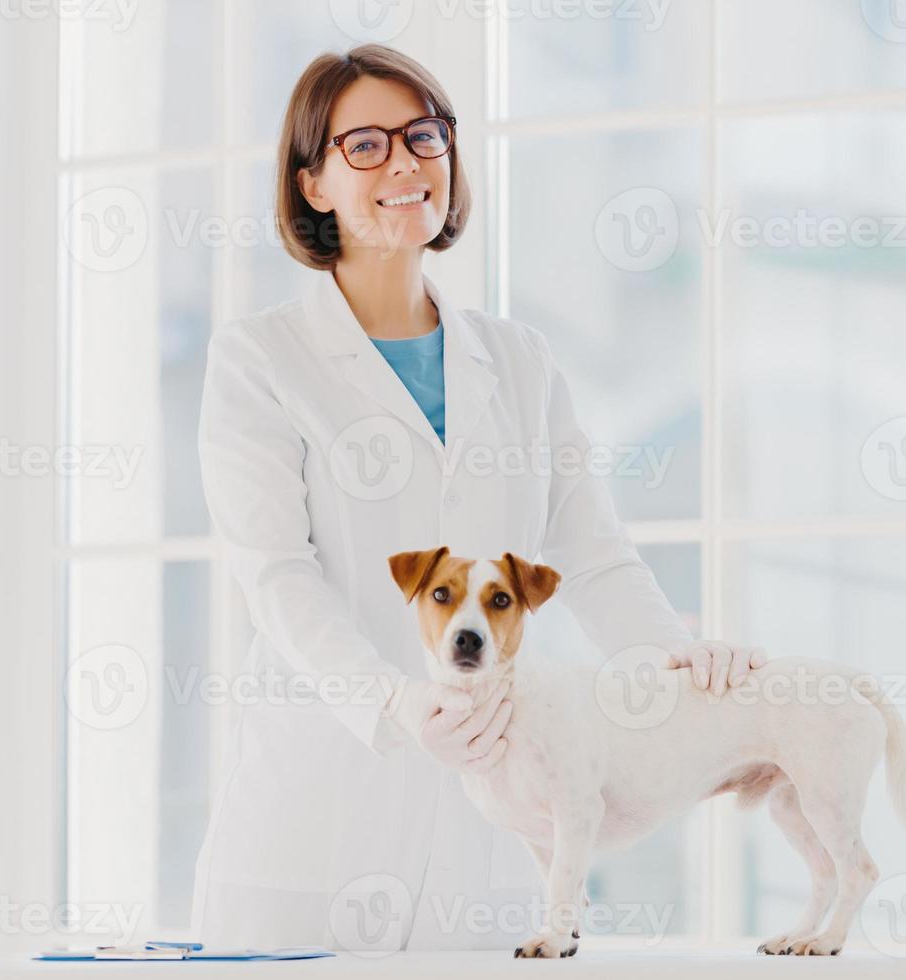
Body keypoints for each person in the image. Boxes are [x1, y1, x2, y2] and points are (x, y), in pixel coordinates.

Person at [189, 43, 766, 953]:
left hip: (499, 806)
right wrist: (394, 703)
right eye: (365, 146)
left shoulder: (521, 360)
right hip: (319, 804)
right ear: (313, 184)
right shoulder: (260, 359)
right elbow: (277, 578)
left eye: (425, 135)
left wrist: (680, 667)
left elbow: (592, 552)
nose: (407, 163)